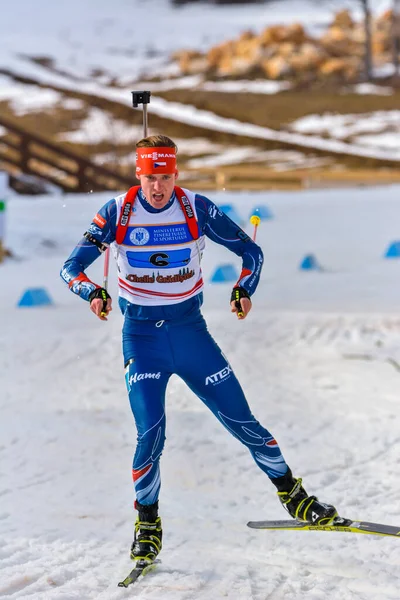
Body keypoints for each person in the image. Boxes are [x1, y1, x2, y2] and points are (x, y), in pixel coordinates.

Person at [61, 134, 338, 565]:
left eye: (166, 176)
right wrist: (92, 293)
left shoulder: (195, 207)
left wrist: (244, 288)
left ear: (177, 173)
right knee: (150, 431)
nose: (159, 187)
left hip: (191, 333)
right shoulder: (117, 212)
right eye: (151, 177)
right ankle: (147, 523)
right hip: (142, 338)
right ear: (139, 173)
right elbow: (69, 267)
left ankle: (295, 498)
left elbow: (251, 250)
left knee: (242, 420)